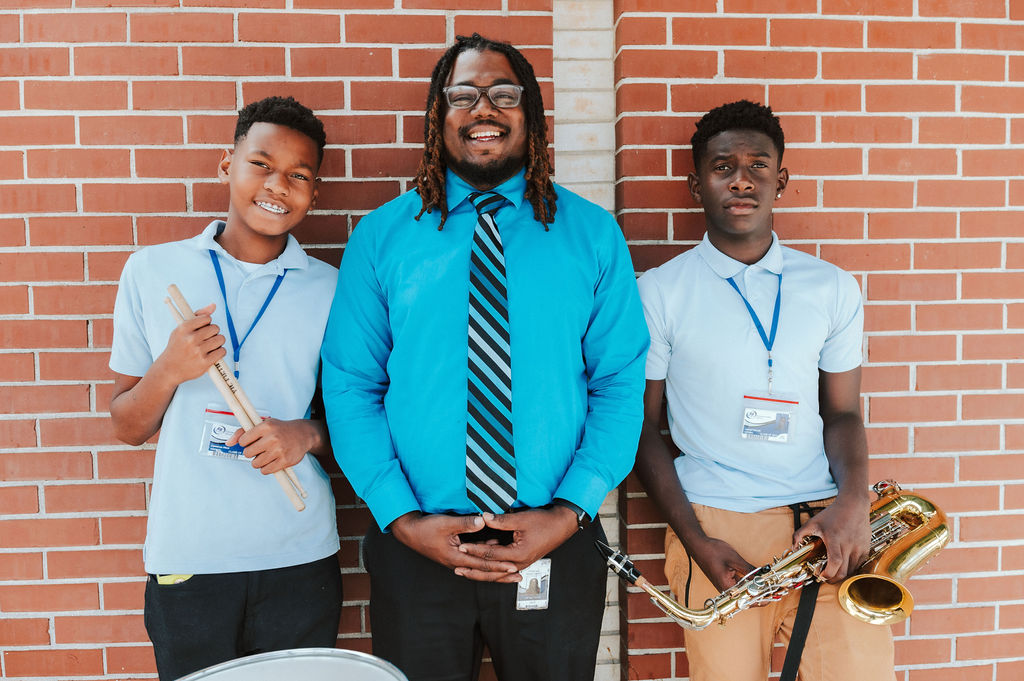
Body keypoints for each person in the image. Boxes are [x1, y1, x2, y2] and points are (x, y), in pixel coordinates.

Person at [321, 33, 648, 681]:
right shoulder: (384, 236)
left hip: (554, 539)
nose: (484, 108)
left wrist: (568, 510)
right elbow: (349, 385)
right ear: (437, 116)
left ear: (532, 113)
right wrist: (403, 518)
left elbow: (618, 382)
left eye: (504, 93)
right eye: (463, 94)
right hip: (418, 547)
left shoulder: (591, 234)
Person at [634, 100, 895, 681]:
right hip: (720, 526)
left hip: (826, 526)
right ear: (695, 183)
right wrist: (696, 541)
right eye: (722, 166)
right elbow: (643, 432)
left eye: (758, 164)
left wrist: (853, 504)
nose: (741, 179)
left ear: (782, 178)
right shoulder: (659, 292)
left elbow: (844, 413)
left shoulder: (831, 287)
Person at [108, 96, 342, 681]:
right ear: (226, 164)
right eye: (260, 164)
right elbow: (127, 426)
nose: (277, 185)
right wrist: (170, 367)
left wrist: (306, 434)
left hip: (299, 554)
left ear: (314, 192)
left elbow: (363, 421)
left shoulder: (332, 289)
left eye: (299, 175)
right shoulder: (151, 270)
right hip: (189, 556)